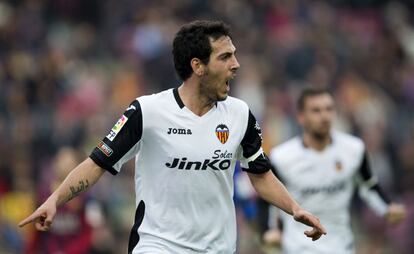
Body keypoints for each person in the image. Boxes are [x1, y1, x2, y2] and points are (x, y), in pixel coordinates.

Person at [19, 20, 326, 253]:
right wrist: (55, 199)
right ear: (198, 66)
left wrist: (295, 208)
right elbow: (98, 162)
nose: (236, 65)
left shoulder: (240, 114)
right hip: (158, 245)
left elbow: (259, 174)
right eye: (225, 57)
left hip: (217, 247)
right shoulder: (147, 111)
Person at [262, 87, 406, 254]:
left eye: (329, 109)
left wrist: (387, 209)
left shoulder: (354, 149)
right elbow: (268, 199)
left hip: (341, 245)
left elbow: (369, 186)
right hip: (297, 247)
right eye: (316, 111)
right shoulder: (282, 157)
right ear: (301, 117)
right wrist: (271, 230)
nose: (324, 116)